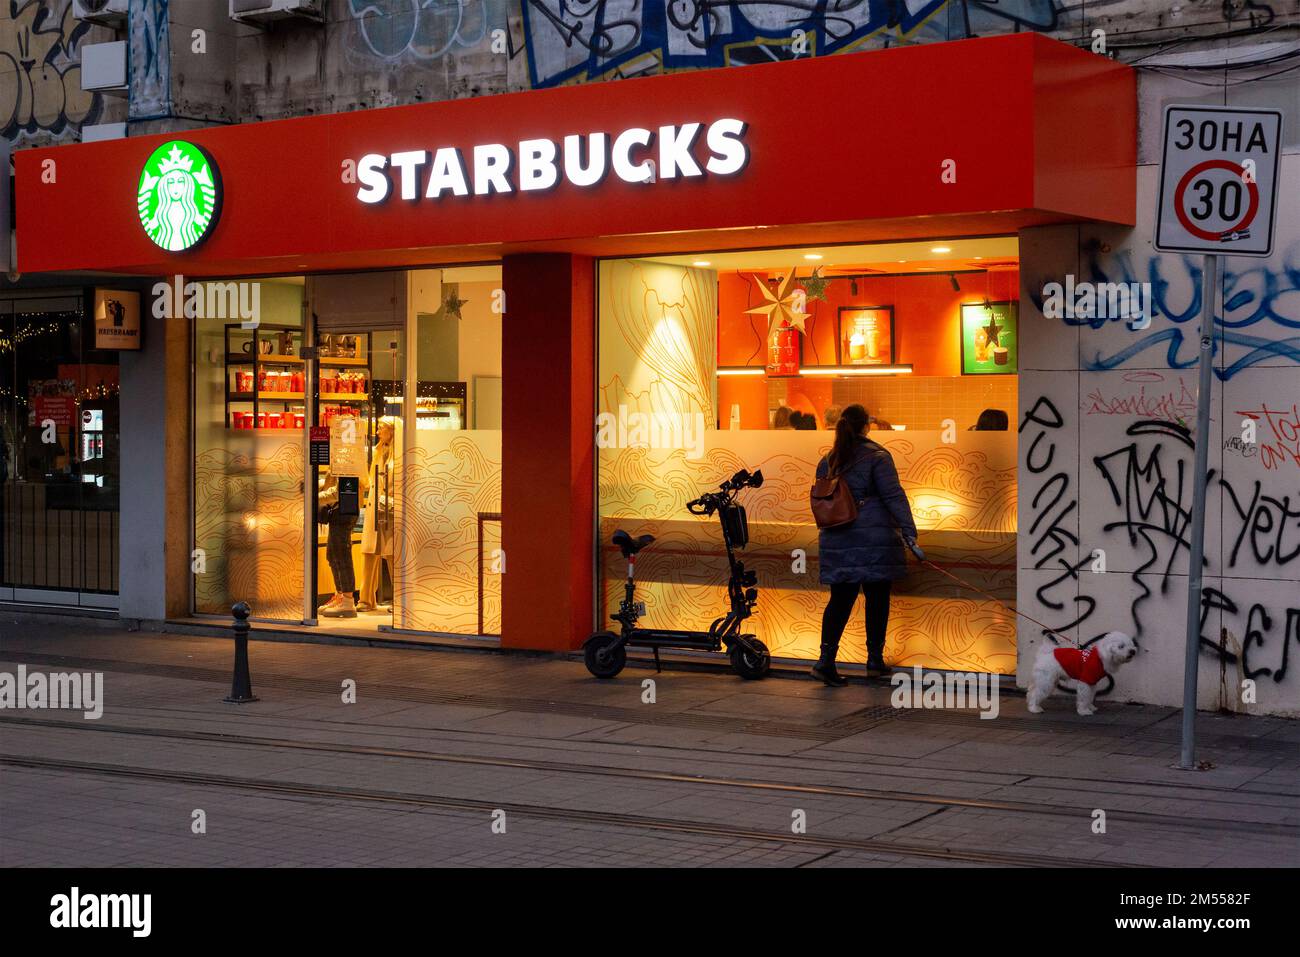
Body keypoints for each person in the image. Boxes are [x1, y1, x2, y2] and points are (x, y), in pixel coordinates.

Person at [811, 403, 918, 687]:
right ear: (866, 426)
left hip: (837, 537)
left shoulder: (828, 460)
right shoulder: (878, 457)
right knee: (877, 598)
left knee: (840, 600)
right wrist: (909, 531)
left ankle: (825, 661)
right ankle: (873, 660)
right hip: (874, 539)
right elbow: (894, 496)